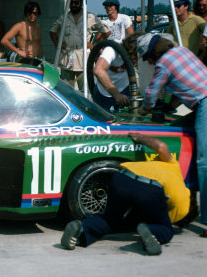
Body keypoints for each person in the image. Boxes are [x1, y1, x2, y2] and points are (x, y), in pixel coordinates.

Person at [124, 32, 207, 228]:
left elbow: (152, 92)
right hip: (201, 101)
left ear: (154, 52)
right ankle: (188, 195)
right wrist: (169, 107)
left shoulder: (164, 63)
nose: (151, 63)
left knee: (204, 162)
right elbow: (183, 86)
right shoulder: (181, 51)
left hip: (205, 103)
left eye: (150, 59)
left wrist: (144, 109)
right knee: (184, 137)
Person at [61, 133, 190, 256]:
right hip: (149, 188)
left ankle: (82, 228)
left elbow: (161, 147)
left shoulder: (174, 166)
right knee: (165, 228)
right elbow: (159, 218)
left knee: (111, 219)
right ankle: (153, 234)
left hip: (121, 177)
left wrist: (139, 138)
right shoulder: (184, 206)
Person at [49, 0, 110, 90]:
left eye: (76, 2)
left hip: (84, 62)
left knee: (85, 92)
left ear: (81, 3)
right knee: (66, 91)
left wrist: (94, 45)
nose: (73, 5)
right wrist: (58, 44)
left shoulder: (90, 17)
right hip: (66, 61)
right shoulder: (63, 18)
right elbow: (52, 31)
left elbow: (106, 32)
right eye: (71, 3)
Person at [92, 42, 130, 111]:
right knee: (101, 121)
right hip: (103, 94)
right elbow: (98, 70)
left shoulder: (137, 51)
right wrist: (117, 95)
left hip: (125, 91)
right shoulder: (111, 50)